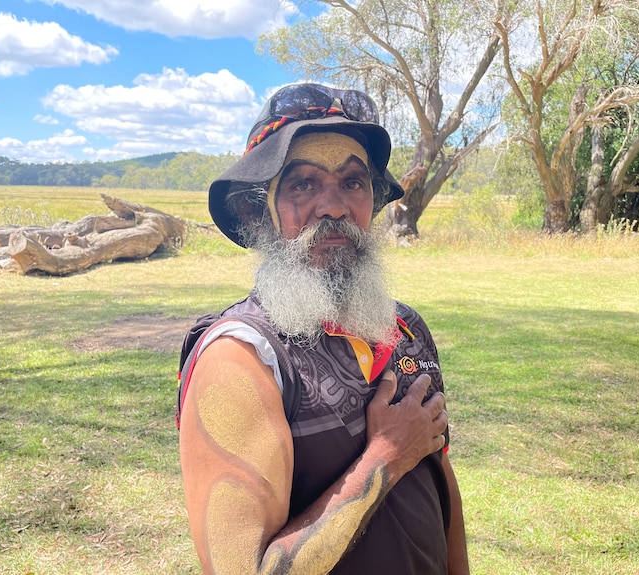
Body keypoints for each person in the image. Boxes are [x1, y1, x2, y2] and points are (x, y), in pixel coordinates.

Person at [178, 82, 469, 575]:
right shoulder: (239, 359)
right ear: (259, 211)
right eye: (303, 184)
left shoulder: (402, 327)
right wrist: (386, 456)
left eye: (353, 183)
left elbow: (439, 477)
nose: (333, 207)